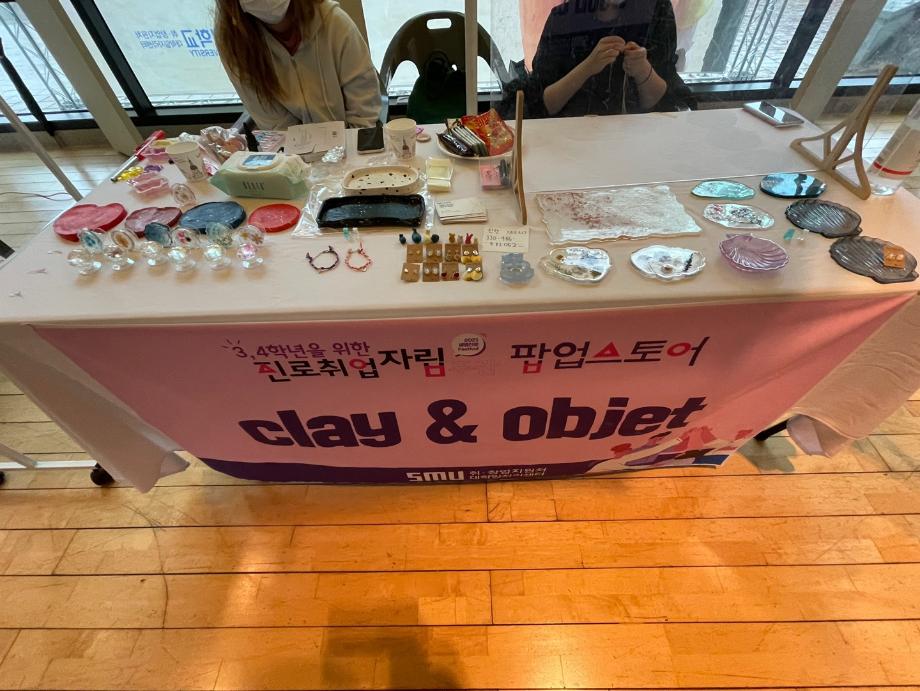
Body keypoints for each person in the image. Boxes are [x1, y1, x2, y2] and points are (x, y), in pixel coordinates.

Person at [215, 0, 381, 130]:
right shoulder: (234, 44)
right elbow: (276, 126)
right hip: (292, 150)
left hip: (350, 140)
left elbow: (363, 112)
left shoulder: (334, 24)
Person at [533, 0, 694, 118]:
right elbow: (543, 105)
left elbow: (664, 106)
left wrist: (643, 70)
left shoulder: (656, 12)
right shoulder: (562, 18)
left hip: (636, 137)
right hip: (573, 137)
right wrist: (587, 67)